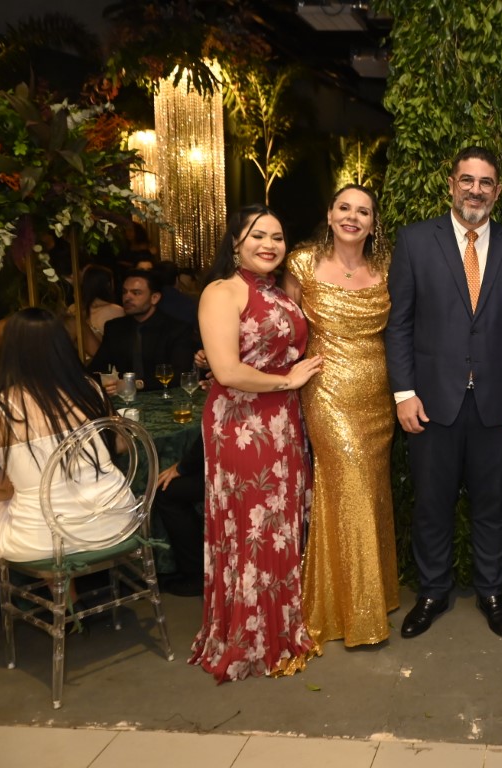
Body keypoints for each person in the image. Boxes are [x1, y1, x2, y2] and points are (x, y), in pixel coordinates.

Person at [385, 147, 502, 639]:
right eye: (467, 180)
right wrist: (404, 393)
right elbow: (399, 325)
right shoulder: (415, 242)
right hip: (431, 405)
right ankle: (433, 591)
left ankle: (491, 592)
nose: (476, 190)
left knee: (492, 505)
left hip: (498, 406)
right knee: (432, 505)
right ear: (451, 184)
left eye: (486, 182)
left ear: (498, 190)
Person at [189, 204, 324, 683]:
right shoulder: (221, 291)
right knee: (252, 525)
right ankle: (249, 636)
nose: (269, 245)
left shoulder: (278, 292)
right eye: (257, 235)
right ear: (236, 242)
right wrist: (287, 380)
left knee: (281, 525)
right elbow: (227, 371)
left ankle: (281, 626)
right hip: (241, 423)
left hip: (283, 420)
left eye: (277, 237)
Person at [284, 184, 400, 648]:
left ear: (373, 224)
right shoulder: (302, 263)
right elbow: (284, 327)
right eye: (344, 208)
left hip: (378, 394)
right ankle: (356, 613)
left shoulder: (386, 268)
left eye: (363, 212)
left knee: (371, 490)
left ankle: (372, 594)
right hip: (327, 392)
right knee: (349, 484)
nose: (353, 217)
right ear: (330, 215)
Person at [0, 308, 135, 565]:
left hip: (42, 540)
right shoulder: (90, 389)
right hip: (117, 521)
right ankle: (66, 588)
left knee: (9, 500)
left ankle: (59, 588)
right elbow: (120, 444)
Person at [87, 269, 196, 393]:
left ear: (154, 298)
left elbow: (180, 373)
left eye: (136, 293)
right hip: (125, 399)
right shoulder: (115, 328)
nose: (127, 297)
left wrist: (137, 384)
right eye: (124, 292)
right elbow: (97, 367)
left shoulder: (177, 329)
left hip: (167, 397)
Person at [152, 434, 205, 597]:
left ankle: (197, 575)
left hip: (233, 468)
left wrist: (182, 468)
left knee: (166, 491)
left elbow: (210, 432)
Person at [65, 265, 124, 364]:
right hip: (101, 365)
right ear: (108, 284)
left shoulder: (72, 308)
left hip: (74, 364)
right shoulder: (115, 310)